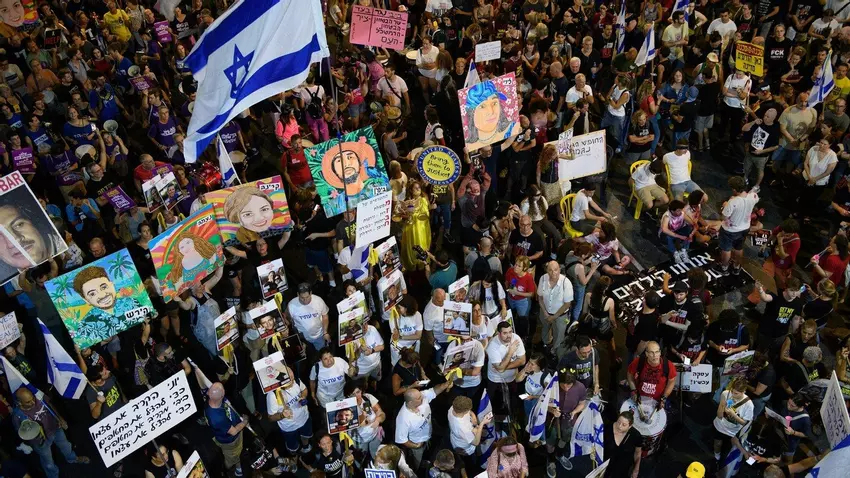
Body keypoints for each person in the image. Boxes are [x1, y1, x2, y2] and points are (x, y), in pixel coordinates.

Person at [11, 388, 89, 478]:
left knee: (66, 445)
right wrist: (33, 442)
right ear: (19, 402)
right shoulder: (18, 415)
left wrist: (59, 418)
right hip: (41, 440)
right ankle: (53, 476)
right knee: (48, 462)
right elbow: (21, 434)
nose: (33, 402)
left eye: (32, 398)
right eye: (28, 402)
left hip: (55, 428)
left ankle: (73, 458)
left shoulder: (38, 397)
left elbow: (50, 405)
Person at [395, 379, 454, 471]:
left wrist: (445, 385)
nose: (422, 397)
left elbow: (434, 390)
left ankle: (424, 460)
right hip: (417, 442)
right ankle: (418, 469)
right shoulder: (403, 418)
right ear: (411, 402)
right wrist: (416, 446)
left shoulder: (421, 397)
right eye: (419, 398)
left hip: (428, 435)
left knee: (428, 450)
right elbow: (401, 439)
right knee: (417, 459)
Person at [266, 364, 312, 455]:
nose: (292, 381)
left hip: (304, 418)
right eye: (289, 379)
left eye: (292, 377)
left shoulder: (296, 381)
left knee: (306, 436)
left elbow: (304, 389)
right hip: (289, 427)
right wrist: (282, 415)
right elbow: (270, 417)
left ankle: (306, 447)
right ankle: (294, 457)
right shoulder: (272, 395)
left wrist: (303, 396)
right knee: (293, 446)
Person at [204, 382, 247, 477]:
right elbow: (234, 431)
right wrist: (244, 422)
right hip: (230, 441)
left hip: (227, 432)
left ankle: (236, 463)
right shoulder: (217, 418)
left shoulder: (213, 399)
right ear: (222, 395)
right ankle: (225, 470)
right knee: (232, 458)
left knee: (236, 455)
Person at [718, 176, 759, 275]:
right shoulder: (753, 196)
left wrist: (725, 205)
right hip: (745, 228)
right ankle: (736, 267)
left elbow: (724, 217)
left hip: (730, 230)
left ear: (734, 189)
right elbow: (754, 199)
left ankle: (724, 268)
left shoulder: (733, 202)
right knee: (739, 248)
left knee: (726, 249)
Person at [486, 321, 526, 415]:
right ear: (499, 333)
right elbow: (500, 369)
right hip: (496, 380)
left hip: (512, 379)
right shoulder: (493, 346)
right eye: (505, 333)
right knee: (495, 405)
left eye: (510, 332)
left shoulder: (516, 338)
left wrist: (503, 367)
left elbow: (522, 361)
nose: (509, 336)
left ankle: (512, 418)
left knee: (512, 402)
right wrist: (510, 352)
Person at [627, 341, 677, 412]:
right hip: (639, 399)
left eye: (657, 352)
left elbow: (671, 382)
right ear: (646, 354)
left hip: (657, 401)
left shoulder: (668, 365)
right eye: (651, 352)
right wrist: (633, 390)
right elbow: (630, 374)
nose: (655, 355)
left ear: (660, 352)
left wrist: (664, 398)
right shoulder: (639, 361)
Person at [448, 395, 493, 473]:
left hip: (458, 437)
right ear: (464, 411)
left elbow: (469, 412)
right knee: (470, 462)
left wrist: (473, 416)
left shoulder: (452, 408)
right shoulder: (462, 428)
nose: (470, 410)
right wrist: (482, 423)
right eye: (468, 409)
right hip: (466, 448)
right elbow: (476, 442)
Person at [713, 377, 755, 461]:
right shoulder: (725, 394)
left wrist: (734, 415)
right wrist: (722, 406)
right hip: (720, 426)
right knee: (717, 443)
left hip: (733, 432)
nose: (732, 394)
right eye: (732, 391)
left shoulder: (749, 405)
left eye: (736, 393)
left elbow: (744, 423)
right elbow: (719, 416)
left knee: (730, 448)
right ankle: (716, 455)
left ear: (743, 392)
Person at [537, 260, 573, 351]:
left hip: (560, 316)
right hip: (545, 312)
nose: (553, 273)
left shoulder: (566, 283)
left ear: (559, 269)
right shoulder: (543, 278)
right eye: (550, 270)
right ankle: (545, 344)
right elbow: (540, 297)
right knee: (545, 328)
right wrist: (545, 313)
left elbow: (567, 304)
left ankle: (555, 351)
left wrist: (554, 317)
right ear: (547, 270)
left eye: (556, 269)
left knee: (558, 335)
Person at [287, 283, 330, 352]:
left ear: (311, 293)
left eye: (307, 297)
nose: (305, 300)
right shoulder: (291, 305)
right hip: (303, 339)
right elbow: (289, 322)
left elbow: (325, 316)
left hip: (319, 335)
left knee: (322, 353)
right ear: (298, 295)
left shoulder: (318, 301)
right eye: (302, 298)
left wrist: (325, 332)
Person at [603, 411, 642, 478]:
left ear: (630, 426)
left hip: (623, 469)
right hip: (605, 465)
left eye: (624, 425)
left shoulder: (636, 435)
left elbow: (638, 453)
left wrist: (636, 469)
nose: (619, 426)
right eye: (618, 422)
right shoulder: (607, 427)